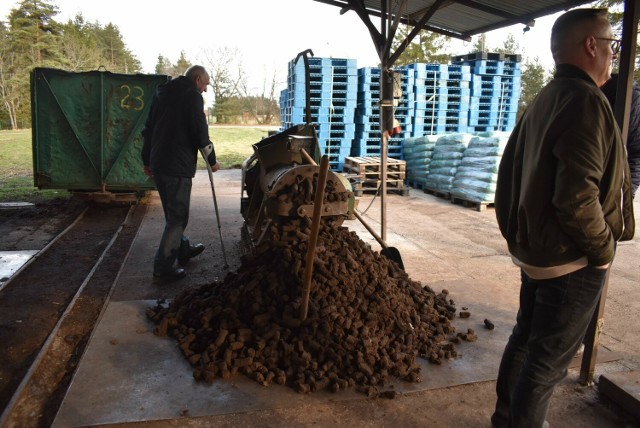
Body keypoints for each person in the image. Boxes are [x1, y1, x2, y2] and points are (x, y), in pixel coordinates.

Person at [492, 8, 635, 427]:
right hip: (569, 258)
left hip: (538, 249)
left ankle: (506, 419)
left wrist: (518, 236)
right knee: (547, 363)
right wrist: (603, 250)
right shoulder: (585, 101)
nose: (613, 55)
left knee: (525, 341)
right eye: (612, 45)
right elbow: (576, 197)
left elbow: (513, 174)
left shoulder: (548, 97)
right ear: (591, 45)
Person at [141, 65, 220, 281]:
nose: (205, 90)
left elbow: (148, 128)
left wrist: (146, 159)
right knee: (177, 218)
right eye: (205, 85)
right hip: (177, 166)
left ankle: (182, 248)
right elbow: (199, 132)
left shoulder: (162, 93)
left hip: (159, 162)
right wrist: (212, 161)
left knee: (172, 213)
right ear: (196, 80)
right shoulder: (192, 96)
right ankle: (163, 268)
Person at [601, 73, 640, 198]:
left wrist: (628, 194)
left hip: (611, 190)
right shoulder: (583, 95)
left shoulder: (632, 99)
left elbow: (636, 154)